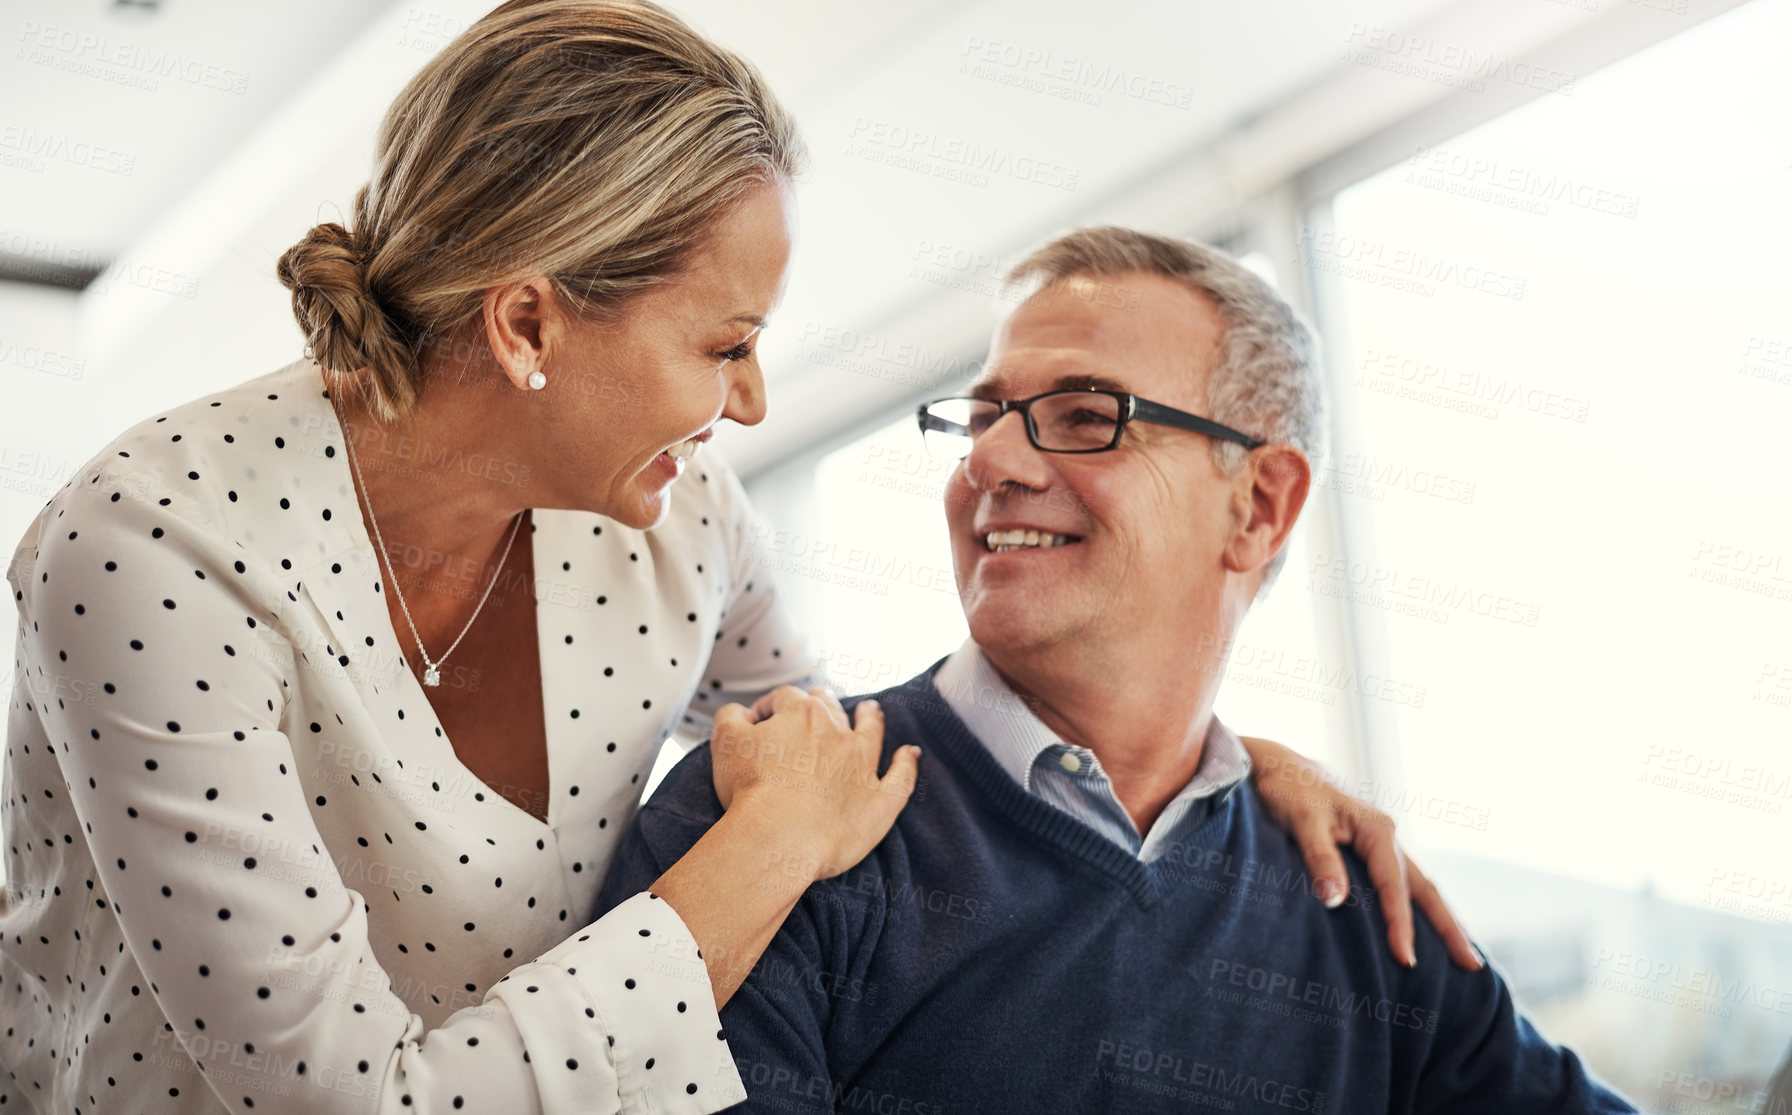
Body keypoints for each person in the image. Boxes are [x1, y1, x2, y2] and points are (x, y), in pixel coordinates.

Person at [0, 5, 1465, 1114]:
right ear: (527, 326)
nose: (750, 405)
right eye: (726, 345)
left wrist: (1217, 768)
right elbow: (343, 1095)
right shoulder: (153, 552)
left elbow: (854, 751)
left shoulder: (677, 516)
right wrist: (756, 856)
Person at [597, 227, 1637, 1112]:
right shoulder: (763, 827)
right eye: (984, 415)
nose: (991, 464)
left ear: (1259, 506)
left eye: (1088, 416)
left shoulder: (1353, 904)